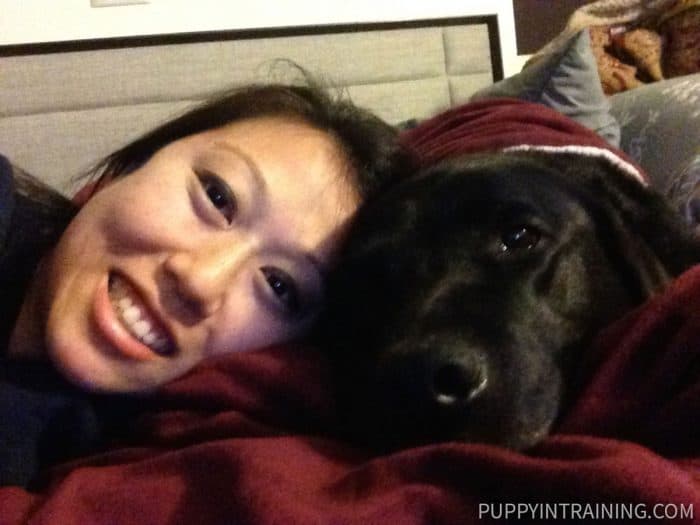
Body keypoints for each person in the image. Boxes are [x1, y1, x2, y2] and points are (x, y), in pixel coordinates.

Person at [0, 78, 411, 487]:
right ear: (128, 167)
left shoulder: (131, 467)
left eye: (279, 285)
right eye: (217, 197)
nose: (201, 281)